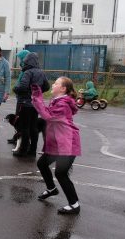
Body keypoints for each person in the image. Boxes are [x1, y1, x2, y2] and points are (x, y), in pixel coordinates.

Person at [31, 77, 82, 215]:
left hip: (67, 144)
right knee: (42, 163)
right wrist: (37, 96)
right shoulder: (58, 101)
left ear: (63, 89)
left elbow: (47, 116)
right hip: (58, 144)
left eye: (56, 83)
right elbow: (47, 113)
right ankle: (51, 189)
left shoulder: (63, 105)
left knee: (61, 173)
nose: (53, 85)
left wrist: (37, 97)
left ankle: (74, 204)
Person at [12, 51, 49, 157]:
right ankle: (32, 150)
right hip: (36, 104)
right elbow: (46, 86)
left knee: (24, 128)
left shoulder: (28, 72)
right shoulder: (41, 72)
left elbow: (22, 87)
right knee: (34, 127)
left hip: (25, 103)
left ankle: (23, 150)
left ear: (27, 61)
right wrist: (37, 92)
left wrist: (15, 89)